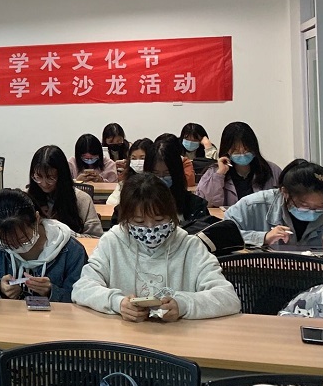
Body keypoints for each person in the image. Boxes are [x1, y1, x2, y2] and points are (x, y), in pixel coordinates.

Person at [72, 172, 241, 321]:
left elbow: (228, 297)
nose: (150, 228)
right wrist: (117, 303)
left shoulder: (190, 246)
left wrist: (184, 305)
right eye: (139, 222)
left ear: (173, 214)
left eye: (159, 220)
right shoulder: (112, 242)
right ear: (125, 219)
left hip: (177, 339)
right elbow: (82, 288)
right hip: (125, 338)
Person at [0, 189, 87, 303]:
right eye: (6, 242)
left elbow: (82, 299)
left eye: (22, 239)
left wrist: (51, 291)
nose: (16, 246)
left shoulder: (71, 250)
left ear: (37, 218)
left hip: (54, 319)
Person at [224, 159, 323, 248]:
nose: (312, 212)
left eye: (320, 207)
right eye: (304, 205)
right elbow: (222, 236)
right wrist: (263, 238)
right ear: (284, 192)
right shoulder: (252, 205)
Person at [197, 121, 282, 207]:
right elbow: (207, 204)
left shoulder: (271, 170)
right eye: (236, 151)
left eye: (246, 149)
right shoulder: (214, 172)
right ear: (227, 150)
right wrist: (219, 175)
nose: (242, 154)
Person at [26, 145, 102, 237]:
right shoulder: (26, 198)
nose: (44, 183)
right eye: (38, 177)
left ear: (62, 176)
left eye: (51, 178)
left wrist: (66, 235)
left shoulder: (82, 199)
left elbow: (95, 237)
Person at [144, 135, 209, 222]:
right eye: (156, 173)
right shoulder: (137, 201)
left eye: (167, 173)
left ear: (176, 173)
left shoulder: (194, 204)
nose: (161, 178)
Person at [108, 138, 153, 208]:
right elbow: (111, 202)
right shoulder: (125, 180)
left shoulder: (156, 181)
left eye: (142, 158)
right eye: (133, 158)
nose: (138, 162)